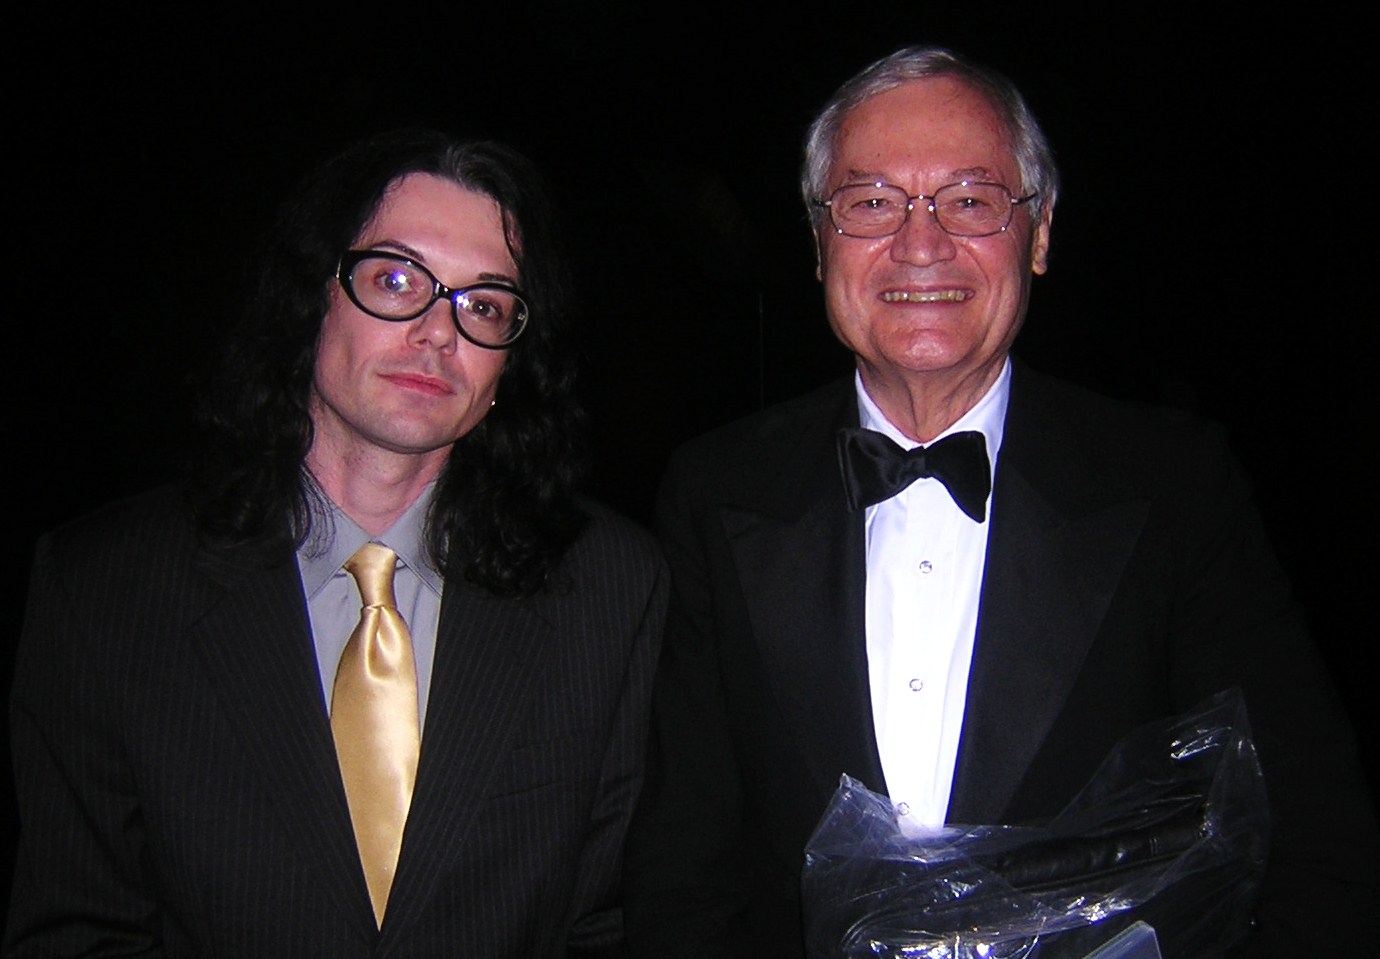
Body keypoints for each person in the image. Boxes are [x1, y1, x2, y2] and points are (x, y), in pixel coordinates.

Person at [624, 46, 1377, 957]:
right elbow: (681, 877)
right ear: (820, 240)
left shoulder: (1173, 483)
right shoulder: (713, 489)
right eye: (870, 202)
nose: (920, 242)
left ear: (1042, 230)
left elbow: (1312, 833)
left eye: (971, 200)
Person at [6, 129, 666, 957]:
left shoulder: (610, 587)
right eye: (395, 279)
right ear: (310, 297)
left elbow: (607, 921)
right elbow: (79, 931)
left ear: (511, 365)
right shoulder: (106, 588)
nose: (438, 331)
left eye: (485, 304)